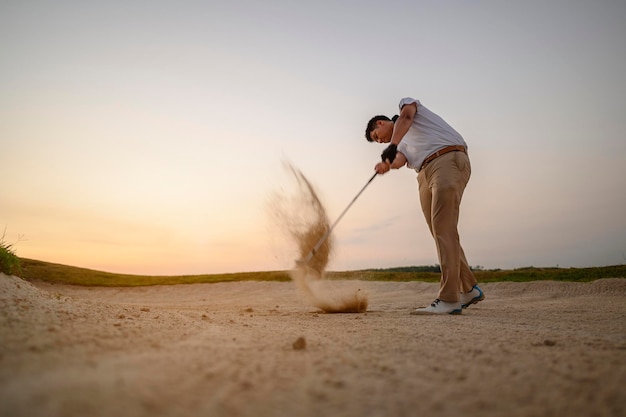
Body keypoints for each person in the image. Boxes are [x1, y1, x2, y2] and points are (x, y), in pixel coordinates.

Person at [365, 97, 484, 315]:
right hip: (424, 174)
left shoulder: (406, 107)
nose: (379, 141)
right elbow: (400, 159)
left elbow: (406, 117)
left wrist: (390, 146)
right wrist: (386, 165)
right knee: (440, 231)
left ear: (381, 123)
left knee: (443, 228)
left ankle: (449, 299)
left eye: (376, 136)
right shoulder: (400, 145)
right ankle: (468, 289)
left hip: (446, 159)